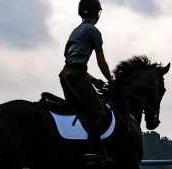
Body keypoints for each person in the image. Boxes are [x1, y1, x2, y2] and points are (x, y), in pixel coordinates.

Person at [59, 0, 113, 164]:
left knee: (81, 111)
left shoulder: (75, 31)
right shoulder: (94, 32)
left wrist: (94, 80)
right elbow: (101, 62)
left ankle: (76, 146)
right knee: (100, 113)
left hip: (65, 76)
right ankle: (91, 151)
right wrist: (110, 80)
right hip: (77, 76)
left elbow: (71, 61)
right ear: (98, 13)